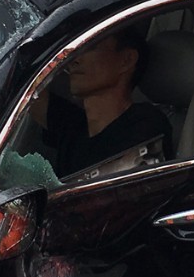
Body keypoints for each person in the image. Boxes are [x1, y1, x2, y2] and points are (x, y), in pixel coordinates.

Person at [37, 26, 173, 178]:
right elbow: (28, 93)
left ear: (126, 60)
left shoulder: (146, 125)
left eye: (90, 47)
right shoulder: (74, 127)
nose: (74, 60)